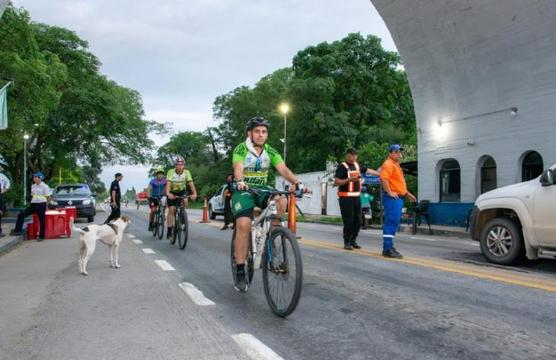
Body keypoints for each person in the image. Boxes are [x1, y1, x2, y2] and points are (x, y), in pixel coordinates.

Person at [232, 116, 308, 291]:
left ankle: (271, 236)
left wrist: (299, 183)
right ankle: (240, 269)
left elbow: (284, 170)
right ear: (249, 133)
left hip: (263, 189)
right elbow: (238, 167)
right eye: (257, 131)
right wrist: (240, 180)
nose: (260, 135)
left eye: (264, 132)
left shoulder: (271, 151)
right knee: (243, 225)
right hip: (244, 190)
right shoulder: (241, 149)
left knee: (281, 199)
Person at [334, 148, 380, 250]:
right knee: (348, 221)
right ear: (347, 155)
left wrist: (380, 174)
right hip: (346, 198)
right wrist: (349, 179)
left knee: (358, 220)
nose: (354, 156)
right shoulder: (342, 167)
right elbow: (336, 182)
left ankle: (353, 240)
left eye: (355, 155)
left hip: (356, 197)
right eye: (352, 155)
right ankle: (347, 242)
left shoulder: (357, 165)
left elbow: (368, 170)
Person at [379, 144, 416, 258]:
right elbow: (383, 178)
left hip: (398, 197)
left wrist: (407, 193)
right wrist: (389, 192)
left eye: (399, 152)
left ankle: (389, 246)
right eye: (396, 152)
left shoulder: (396, 165)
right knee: (391, 222)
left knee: (394, 222)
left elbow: (398, 183)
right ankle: (387, 248)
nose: (399, 154)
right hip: (392, 198)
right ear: (390, 153)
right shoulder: (388, 164)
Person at [10, 172, 51, 241]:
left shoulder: (45, 186)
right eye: (34, 177)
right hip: (33, 204)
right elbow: (32, 195)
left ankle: (41, 236)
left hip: (41, 204)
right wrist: (32, 202)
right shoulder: (33, 186)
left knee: (42, 220)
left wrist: (46, 205)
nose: (34, 178)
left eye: (35, 177)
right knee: (21, 215)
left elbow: (49, 197)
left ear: (40, 178)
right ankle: (17, 230)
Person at [165, 156, 197, 239]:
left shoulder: (187, 172)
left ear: (184, 166)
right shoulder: (171, 172)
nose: (179, 166)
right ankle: (169, 231)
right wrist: (168, 193)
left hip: (182, 191)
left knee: (185, 201)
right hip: (172, 191)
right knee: (171, 209)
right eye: (178, 164)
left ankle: (182, 217)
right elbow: (168, 184)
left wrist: (194, 193)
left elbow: (191, 183)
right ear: (175, 166)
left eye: (181, 164)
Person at [0, 163, 10, 238]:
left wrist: (5, 190)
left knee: (0, 212)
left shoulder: (3, 176)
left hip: (0, 195)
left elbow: (8, 183)